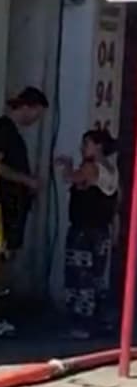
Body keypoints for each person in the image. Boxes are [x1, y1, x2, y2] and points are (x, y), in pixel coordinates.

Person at [0, 87, 48, 336]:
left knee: (6, 260)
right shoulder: (3, 130)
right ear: (27, 107)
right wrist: (26, 181)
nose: (36, 121)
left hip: (14, 205)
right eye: (37, 114)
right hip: (4, 205)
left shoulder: (11, 132)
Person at [55, 129, 120, 339]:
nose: (83, 148)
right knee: (97, 277)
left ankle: (82, 323)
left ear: (98, 146)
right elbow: (119, 201)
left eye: (87, 143)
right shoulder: (112, 169)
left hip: (84, 231)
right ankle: (102, 320)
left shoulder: (90, 167)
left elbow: (71, 179)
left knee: (80, 277)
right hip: (102, 231)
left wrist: (66, 165)